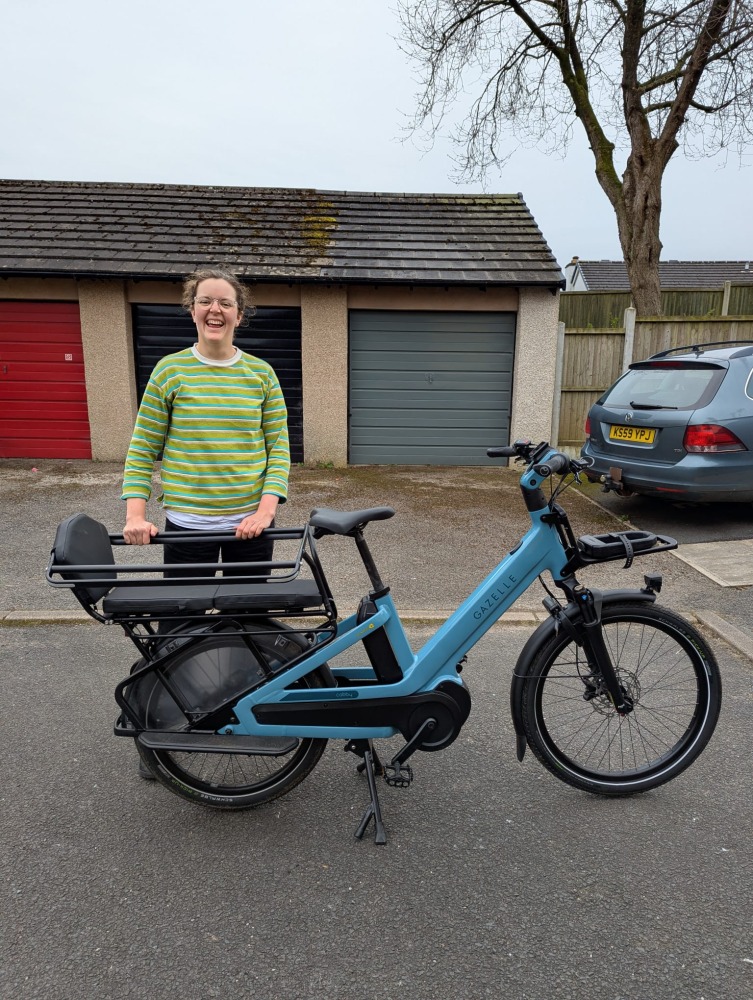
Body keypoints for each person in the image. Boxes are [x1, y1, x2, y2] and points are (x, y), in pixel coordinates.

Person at [121, 266, 290, 576]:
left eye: (226, 303)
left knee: (249, 619)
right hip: (187, 526)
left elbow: (278, 450)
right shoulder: (169, 371)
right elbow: (143, 449)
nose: (215, 309)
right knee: (186, 619)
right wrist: (135, 516)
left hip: (250, 526)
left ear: (238, 315)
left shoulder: (262, 374)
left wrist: (266, 512)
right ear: (193, 311)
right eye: (206, 301)